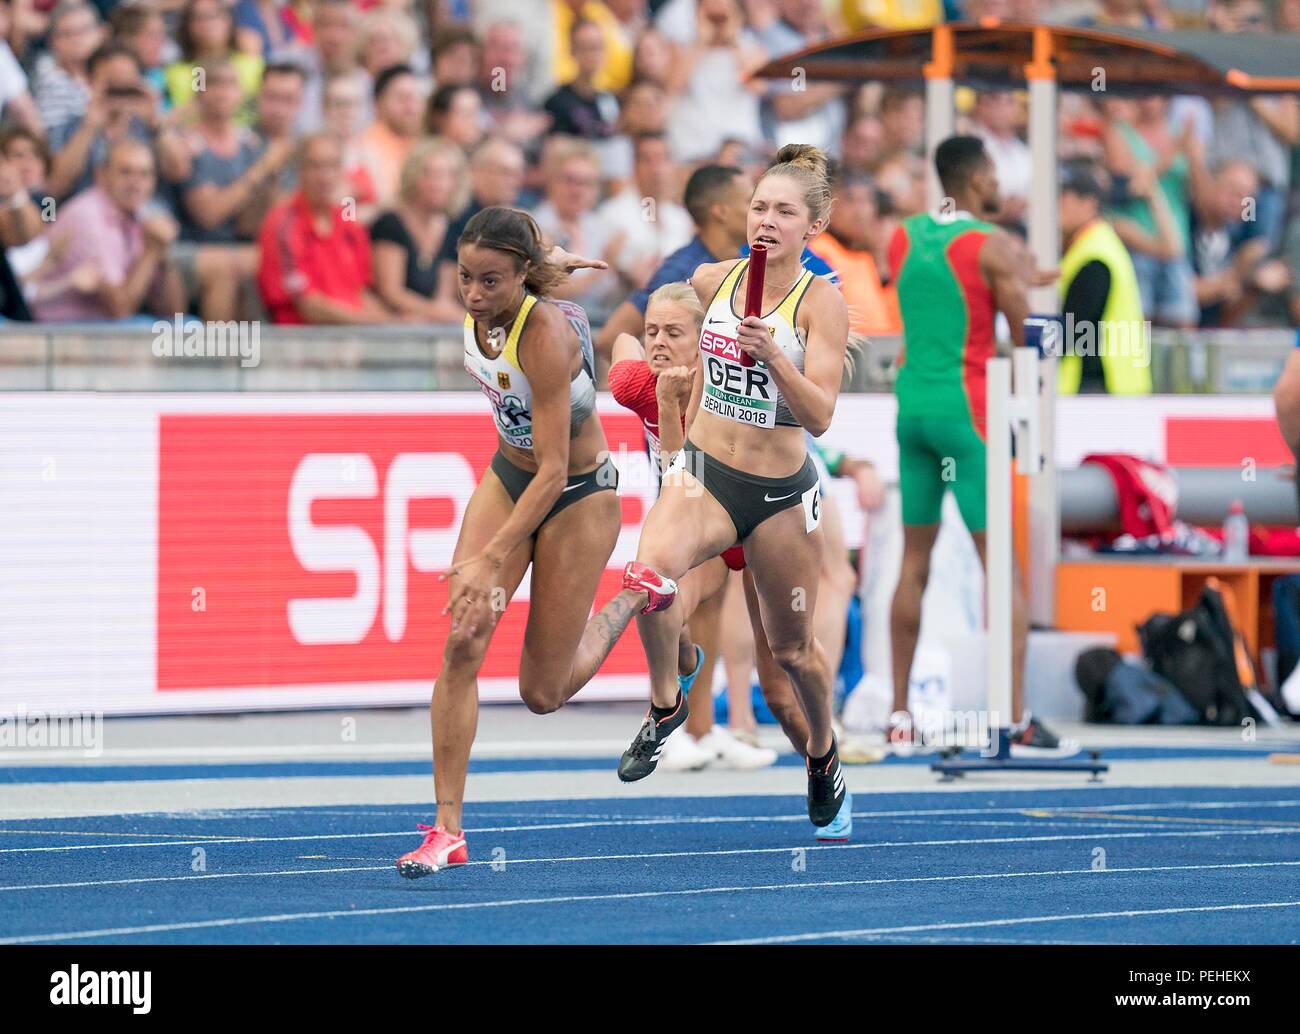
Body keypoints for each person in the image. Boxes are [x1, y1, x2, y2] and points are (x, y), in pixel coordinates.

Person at [611, 143, 854, 831]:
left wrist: (774, 354)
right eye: (758, 208)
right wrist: (649, 369)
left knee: (792, 654)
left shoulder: (821, 303)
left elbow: (821, 416)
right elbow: (644, 328)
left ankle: (824, 754)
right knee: (650, 580)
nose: (766, 222)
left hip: (777, 496)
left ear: (813, 226)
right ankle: (667, 705)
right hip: (708, 476)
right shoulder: (715, 277)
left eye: (783, 211)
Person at [394, 208, 633, 877]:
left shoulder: (545, 333)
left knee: (542, 693)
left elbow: (556, 469)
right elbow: (536, 255)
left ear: (521, 277)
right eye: (464, 277)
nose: (473, 294)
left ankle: (633, 599)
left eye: (490, 282)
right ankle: (447, 829)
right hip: (508, 474)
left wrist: (490, 555)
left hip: (579, 493)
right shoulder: (502, 282)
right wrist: (553, 257)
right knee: (463, 639)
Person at [886, 135, 1068, 754]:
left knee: (914, 562)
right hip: (967, 416)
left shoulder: (903, 234)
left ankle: (899, 713)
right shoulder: (993, 245)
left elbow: (939, 288)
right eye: (993, 174)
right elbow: (1026, 335)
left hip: (911, 409)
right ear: (979, 177)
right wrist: (1050, 318)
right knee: (1001, 570)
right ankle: (1013, 715)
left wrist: (1015, 274)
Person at [606, 283, 784, 777]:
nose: (658, 342)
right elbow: (621, 343)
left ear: (705, 338)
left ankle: (712, 728)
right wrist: (653, 381)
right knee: (671, 601)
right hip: (691, 509)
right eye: (653, 332)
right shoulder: (639, 383)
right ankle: (672, 720)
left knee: (768, 649)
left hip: (751, 515)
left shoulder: (724, 389)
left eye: (673, 333)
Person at [30, 139, 187, 323]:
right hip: (59, 328)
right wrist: (151, 252)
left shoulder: (142, 214)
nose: (136, 183)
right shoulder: (87, 216)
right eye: (125, 172)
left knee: (190, 326)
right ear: (101, 175)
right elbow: (120, 310)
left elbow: (175, 313)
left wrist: (163, 255)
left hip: (104, 326)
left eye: (145, 174)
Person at [256, 134, 389, 324]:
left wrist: (393, 323)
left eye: (332, 165)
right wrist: (369, 324)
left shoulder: (348, 220)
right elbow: (306, 304)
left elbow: (361, 291)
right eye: (315, 166)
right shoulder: (283, 222)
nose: (325, 176)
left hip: (353, 336)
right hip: (303, 339)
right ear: (300, 170)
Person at [1056, 160, 1150, 395]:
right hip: (1117, 384)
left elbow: (1072, 330)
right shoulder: (1098, 246)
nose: (1056, 209)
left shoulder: (1094, 255)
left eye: (1063, 200)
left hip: (1099, 386)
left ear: (1088, 204)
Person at [370, 138, 469, 322]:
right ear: (413, 176)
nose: (439, 184)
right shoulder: (390, 223)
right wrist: (439, 313)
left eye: (447, 175)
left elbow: (443, 295)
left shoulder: (452, 228)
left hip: (427, 325)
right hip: (390, 326)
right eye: (430, 174)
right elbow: (391, 293)